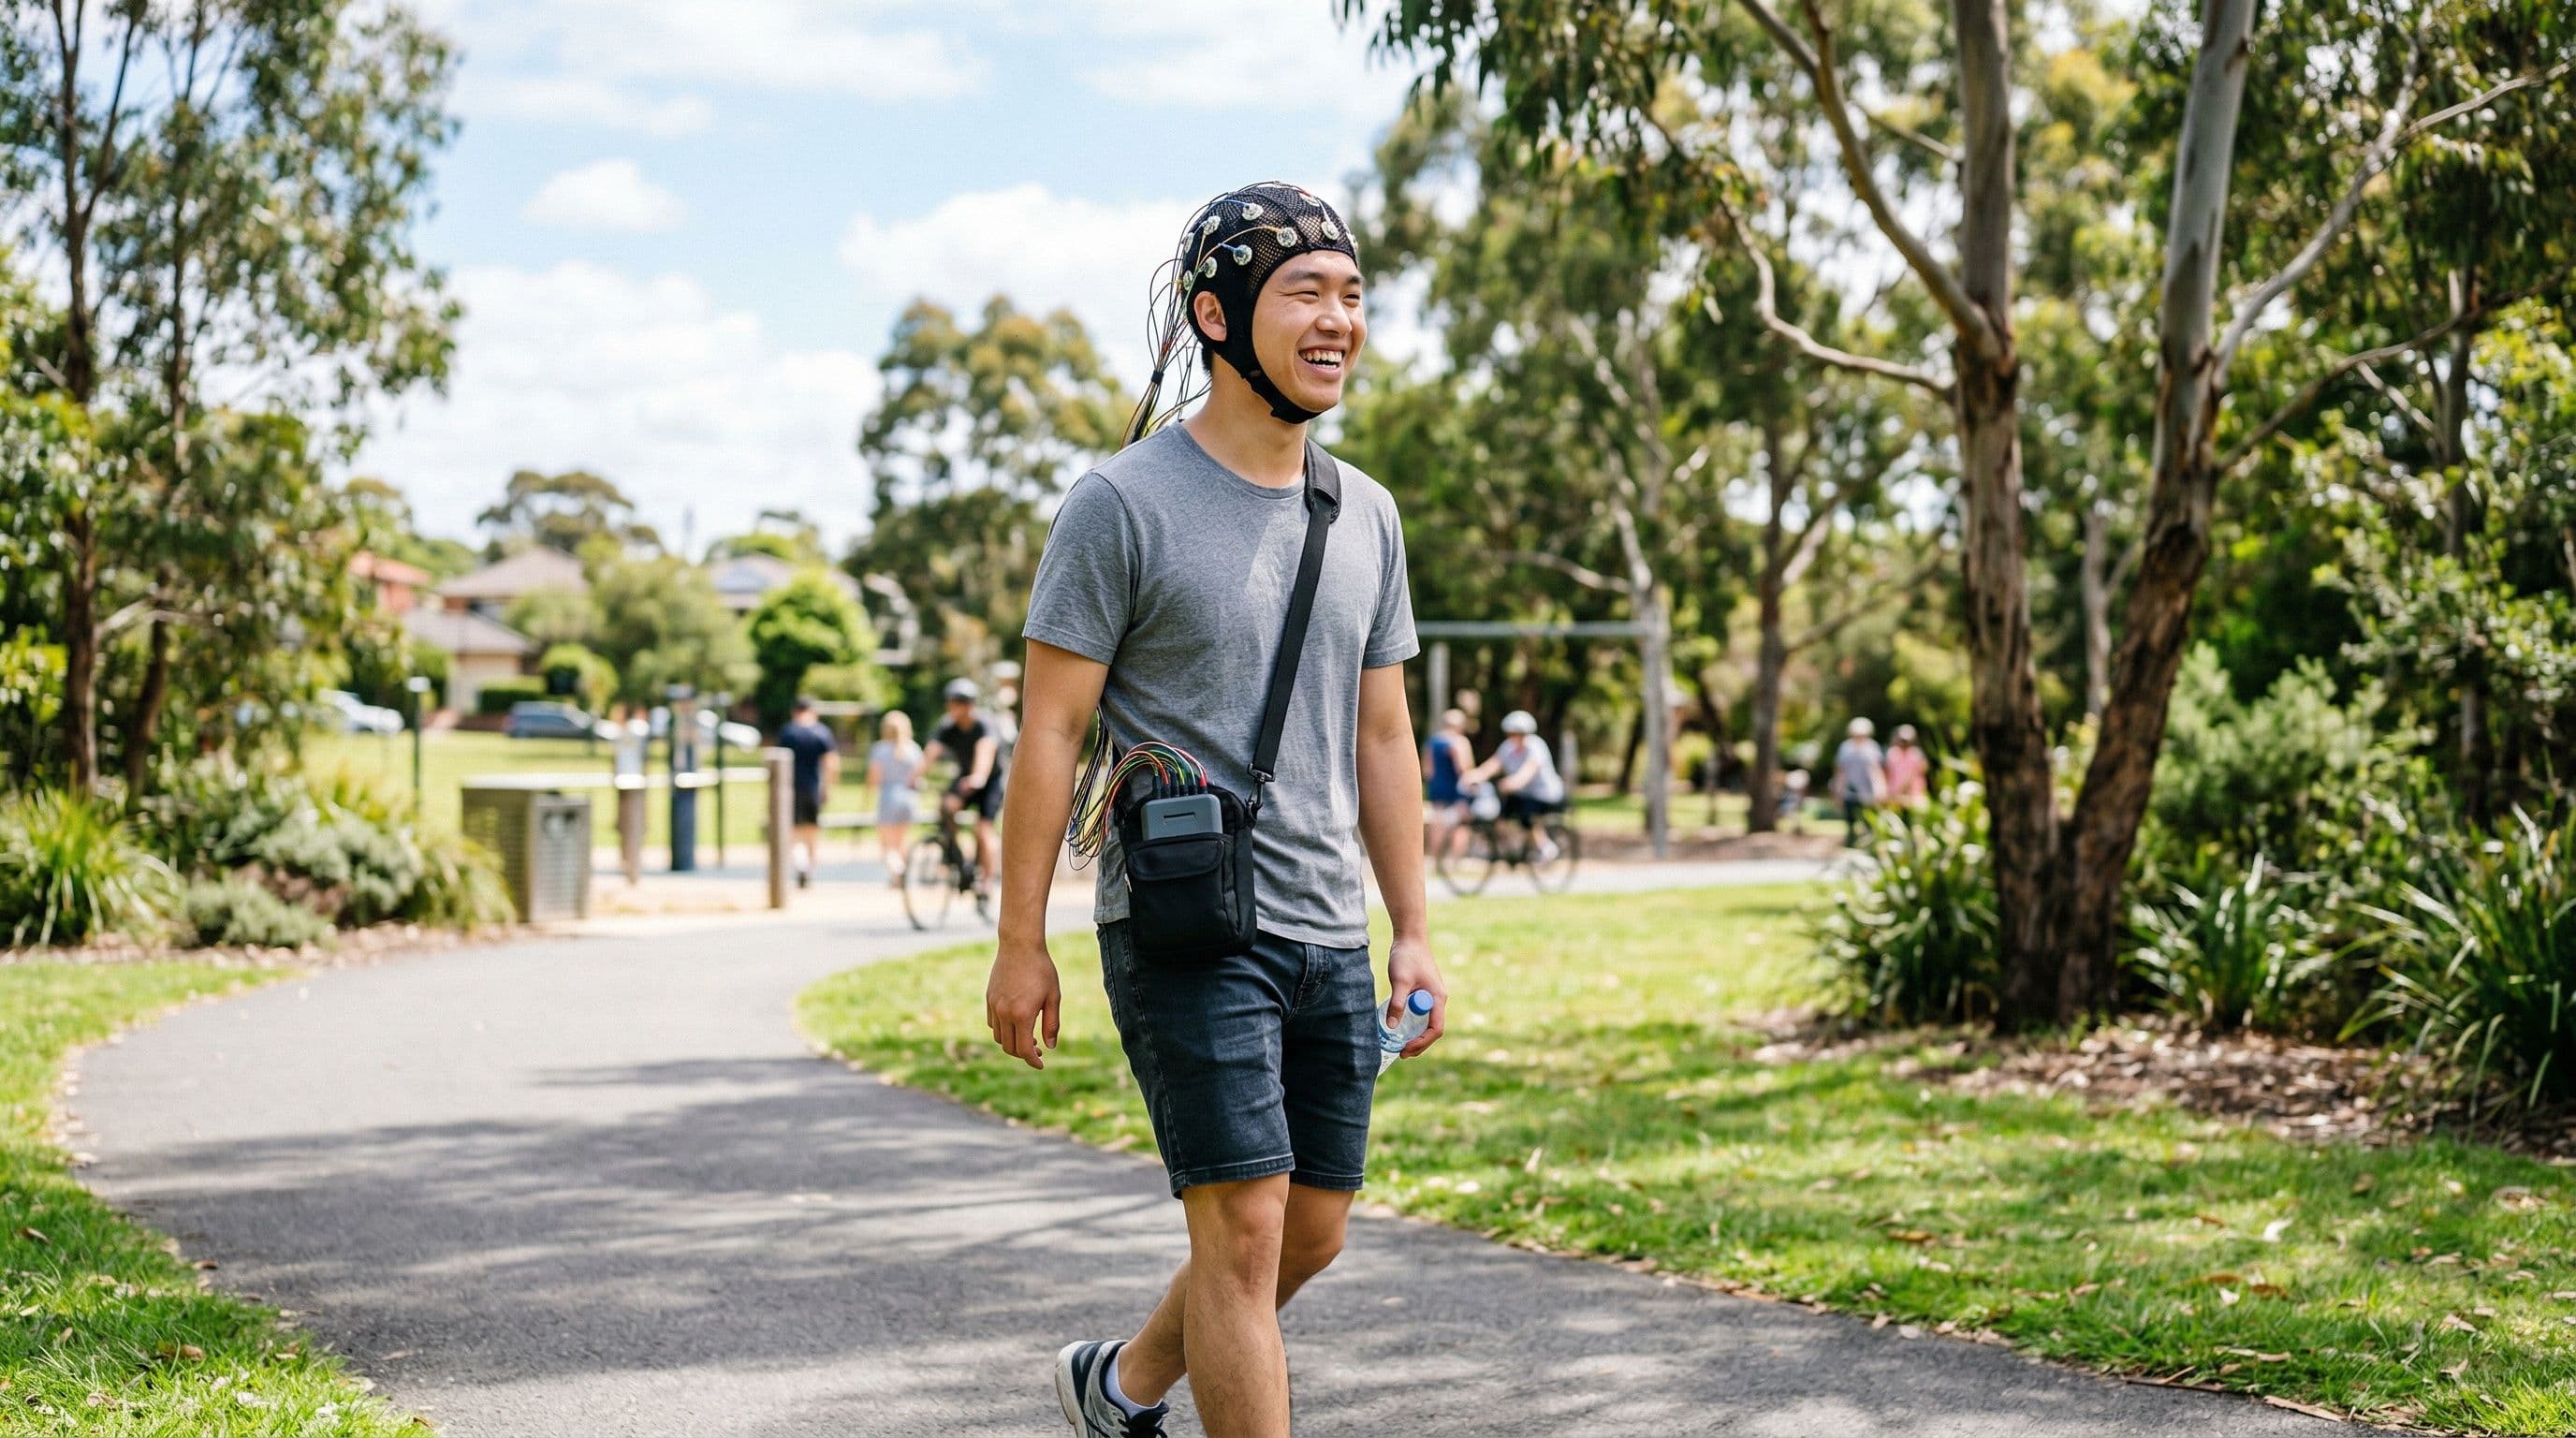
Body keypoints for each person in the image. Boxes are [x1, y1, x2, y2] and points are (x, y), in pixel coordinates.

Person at [988, 181, 1445, 1438]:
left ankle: (1124, 1383)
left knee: (1312, 1231)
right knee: (1243, 1233)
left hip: (1324, 925)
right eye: (1306, 291)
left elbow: (1384, 733)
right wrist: (1019, 940)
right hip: (1184, 920)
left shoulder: (1368, 514)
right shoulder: (1120, 504)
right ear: (1217, 316)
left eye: (1353, 296)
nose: (1338, 319)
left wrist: (1410, 926)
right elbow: (1050, 732)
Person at [923, 679, 1005, 896]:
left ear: (969, 705)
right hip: (966, 778)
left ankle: (986, 883)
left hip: (990, 781)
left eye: (956, 703)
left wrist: (978, 777)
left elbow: (985, 750)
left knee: (983, 829)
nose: (952, 708)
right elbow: (932, 751)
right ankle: (955, 858)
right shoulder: (948, 726)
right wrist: (914, 777)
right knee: (946, 807)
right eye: (950, 703)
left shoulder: (984, 724)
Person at [1463, 709, 1568, 858]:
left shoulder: (1536, 747)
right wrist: (1475, 776)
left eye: (1517, 734)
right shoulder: (1508, 747)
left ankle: (1545, 847)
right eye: (1510, 733)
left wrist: (1511, 783)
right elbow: (1493, 764)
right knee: (1500, 816)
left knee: (1527, 817)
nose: (1513, 737)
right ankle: (1510, 849)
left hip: (1544, 794)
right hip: (1523, 793)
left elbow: (1526, 773)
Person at [777, 698, 838, 888]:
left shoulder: (788, 732)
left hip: (790, 788)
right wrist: (827, 787)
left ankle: (800, 864)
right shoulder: (822, 732)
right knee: (812, 832)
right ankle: (809, 868)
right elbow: (831, 762)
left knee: (793, 832)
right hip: (813, 787)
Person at [868, 710, 925, 886]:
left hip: (889, 797)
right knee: (901, 841)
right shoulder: (913, 749)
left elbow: (874, 779)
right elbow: (919, 776)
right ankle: (899, 878)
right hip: (909, 798)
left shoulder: (880, 750)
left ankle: (898, 870)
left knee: (887, 845)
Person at [1422, 707, 1475, 862]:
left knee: (1438, 821)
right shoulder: (1459, 741)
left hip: (1437, 787)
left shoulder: (1432, 742)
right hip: (1456, 789)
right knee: (1461, 823)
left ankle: (1435, 857)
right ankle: (1454, 859)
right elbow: (1464, 767)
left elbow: (1426, 769)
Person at [1833, 716, 1887, 845]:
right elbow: (1840, 770)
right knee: (1850, 820)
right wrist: (1837, 790)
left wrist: (1880, 789)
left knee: (1868, 819)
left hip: (1867, 792)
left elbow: (1876, 770)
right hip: (1850, 790)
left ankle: (1868, 844)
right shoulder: (1845, 748)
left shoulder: (1872, 747)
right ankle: (1851, 841)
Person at [1883, 723, 1929, 808]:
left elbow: (1923, 770)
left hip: (1914, 795)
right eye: (1902, 740)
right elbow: (1887, 773)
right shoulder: (1892, 753)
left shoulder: (1917, 754)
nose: (1904, 743)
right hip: (1895, 795)